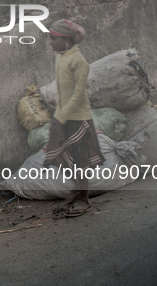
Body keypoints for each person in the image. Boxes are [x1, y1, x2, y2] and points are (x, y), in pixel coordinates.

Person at [43, 19, 104, 217]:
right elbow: (62, 92)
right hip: (62, 117)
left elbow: (78, 95)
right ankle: (75, 192)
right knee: (60, 156)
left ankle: (84, 201)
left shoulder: (79, 62)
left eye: (54, 39)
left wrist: (60, 117)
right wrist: (57, 116)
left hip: (78, 118)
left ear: (66, 41)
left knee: (80, 161)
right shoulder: (60, 57)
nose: (51, 42)